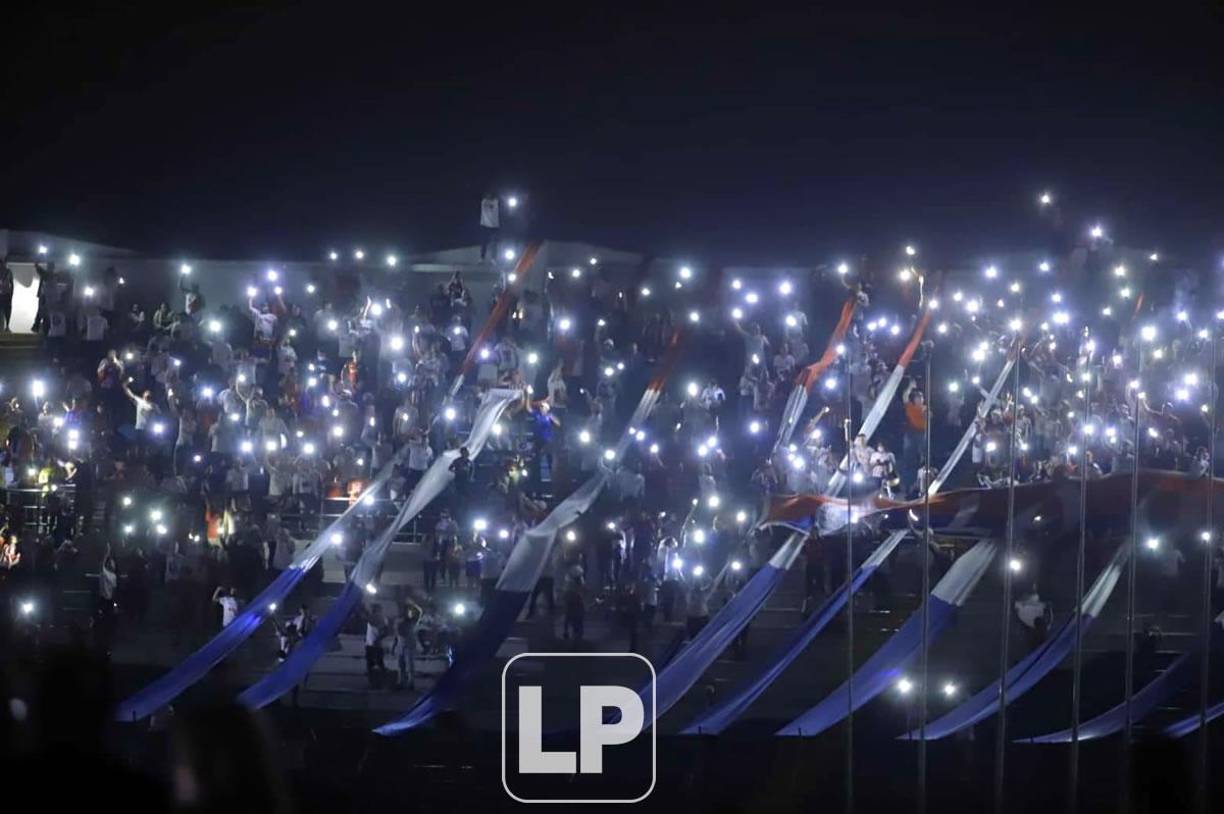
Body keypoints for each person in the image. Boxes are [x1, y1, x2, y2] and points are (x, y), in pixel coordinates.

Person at [394, 597, 423, 690]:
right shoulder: (400, 620)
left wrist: (412, 605)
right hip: (401, 642)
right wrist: (395, 644)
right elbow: (397, 634)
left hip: (409, 642)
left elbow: (419, 612)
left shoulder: (412, 620)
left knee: (409, 664)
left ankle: (411, 682)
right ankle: (402, 682)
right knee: (401, 664)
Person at [364, 603, 390, 688]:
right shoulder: (380, 618)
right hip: (374, 643)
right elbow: (386, 631)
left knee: (373, 663)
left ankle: (376, 682)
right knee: (378, 663)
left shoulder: (378, 618)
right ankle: (378, 682)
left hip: (372, 643)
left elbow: (386, 631)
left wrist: (378, 638)